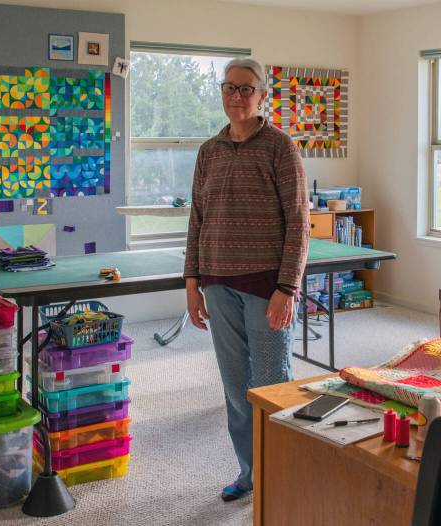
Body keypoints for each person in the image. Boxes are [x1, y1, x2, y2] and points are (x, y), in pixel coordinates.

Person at [182, 57, 309, 502]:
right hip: (216, 283)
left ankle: (283, 475)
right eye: (229, 88)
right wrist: (192, 282)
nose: (236, 96)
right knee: (236, 386)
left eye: (245, 89)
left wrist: (287, 287)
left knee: (272, 383)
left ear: (262, 96)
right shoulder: (208, 151)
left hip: (266, 286)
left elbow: (298, 221)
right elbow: (198, 218)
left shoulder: (280, 147)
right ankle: (251, 472)